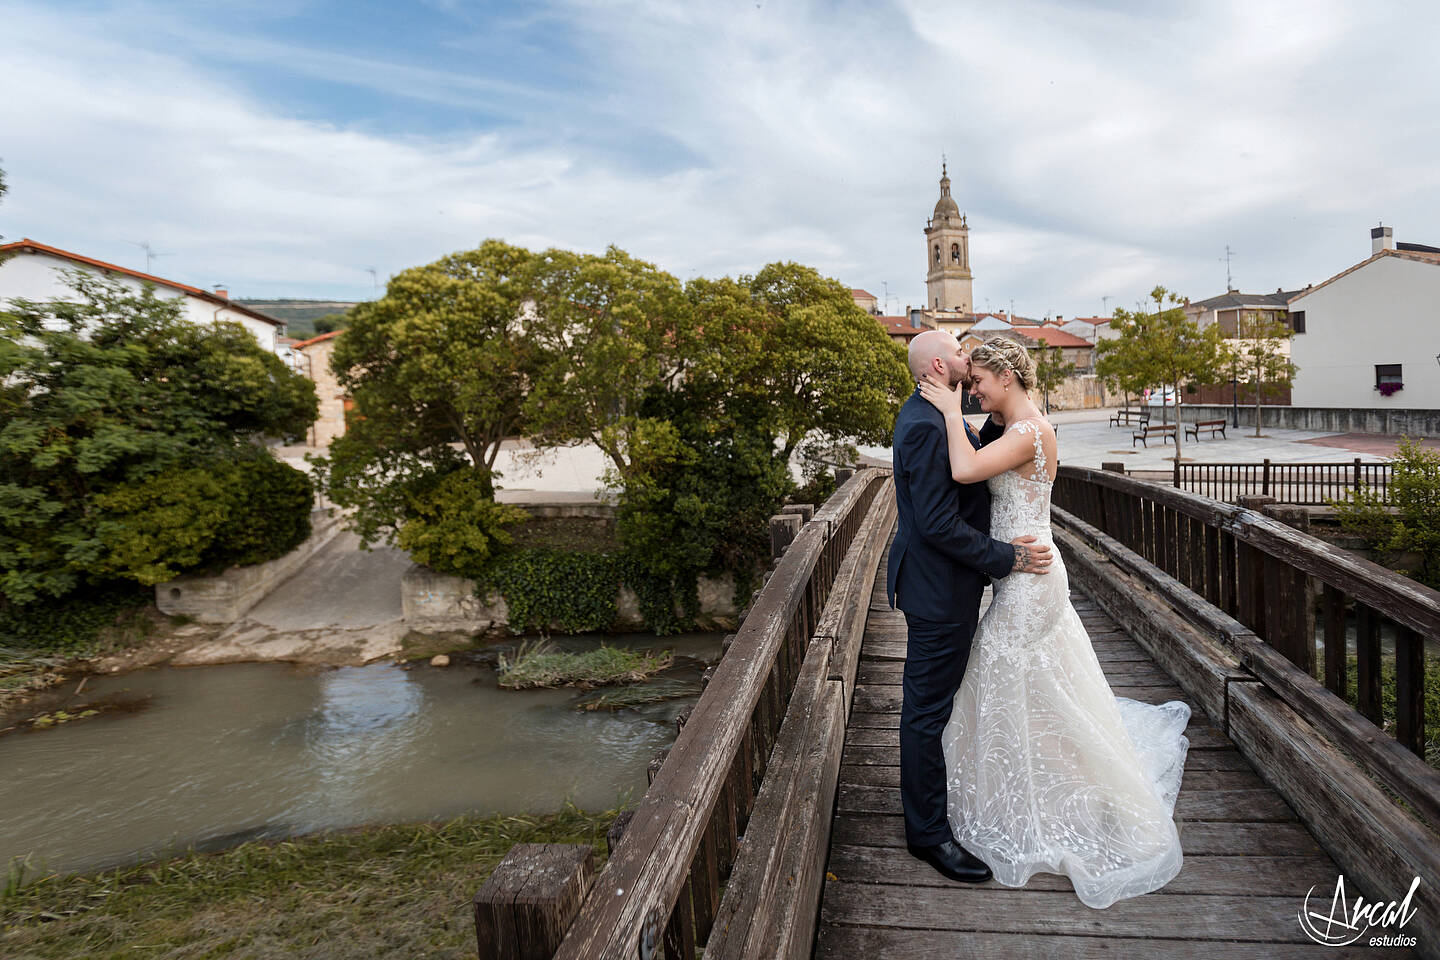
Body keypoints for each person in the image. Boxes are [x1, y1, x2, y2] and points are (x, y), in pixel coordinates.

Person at [916, 335, 1190, 909]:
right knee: (1026, 680)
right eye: (966, 385)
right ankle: (1031, 783)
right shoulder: (1016, 428)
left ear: (1006, 379)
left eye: (979, 383)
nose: (972, 391)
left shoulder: (1028, 432)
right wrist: (958, 415)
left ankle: (1037, 794)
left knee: (1003, 671)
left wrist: (945, 409)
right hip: (1022, 569)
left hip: (1029, 574)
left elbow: (965, 471)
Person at [887, 329, 1054, 885]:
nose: (969, 359)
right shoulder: (924, 425)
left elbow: (986, 451)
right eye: (961, 354)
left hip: (952, 585)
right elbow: (936, 524)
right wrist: (1005, 557)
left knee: (935, 705)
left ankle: (945, 808)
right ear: (941, 363)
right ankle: (928, 834)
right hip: (938, 593)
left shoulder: (943, 415)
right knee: (926, 711)